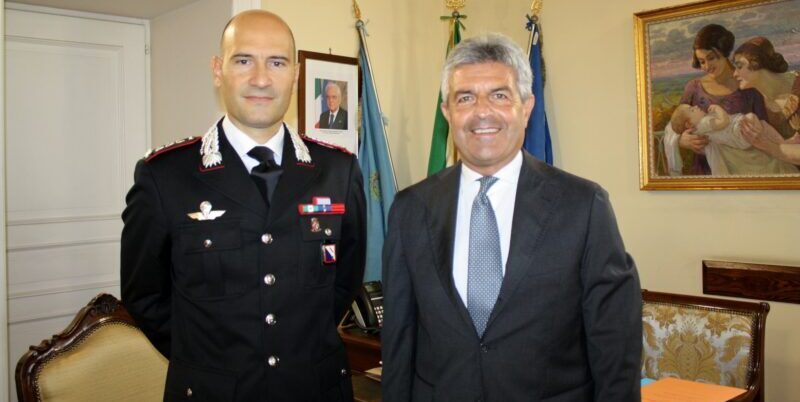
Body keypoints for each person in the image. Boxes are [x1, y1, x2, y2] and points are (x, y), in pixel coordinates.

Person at [381, 33, 642, 402]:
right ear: (447, 112)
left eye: (500, 95)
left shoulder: (583, 206)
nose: (482, 112)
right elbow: (399, 338)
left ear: (527, 107)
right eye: (465, 98)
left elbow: (615, 343)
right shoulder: (410, 208)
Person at [120, 10, 366, 402]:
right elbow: (145, 298)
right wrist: (206, 360)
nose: (261, 79)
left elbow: (344, 283)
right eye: (243, 60)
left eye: (277, 62)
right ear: (218, 70)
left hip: (314, 389)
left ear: (296, 74)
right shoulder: (165, 177)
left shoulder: (338, 170)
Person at [663, 24, 767, 176]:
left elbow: (764, 130)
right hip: (703, 173)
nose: (706, 66)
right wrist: (681, 140)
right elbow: (676, 123)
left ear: (724, 52)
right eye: (701, 61)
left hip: (744, 170)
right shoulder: (694, 88)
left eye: (711, 58)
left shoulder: (748, 86)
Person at [669, 104, 797, 175]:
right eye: (692, 110)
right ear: (689, 124)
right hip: (737, 136)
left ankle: (783, 144)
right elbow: (724, 121)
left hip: (738, 137)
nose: (696, 106)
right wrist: (719, 109)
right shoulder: (704, 123)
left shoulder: (702, 124)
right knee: (756, 121)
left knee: (761, 125)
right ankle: (783, 144)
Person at [733, 36, 800, 139]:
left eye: (739, 66)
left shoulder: (797, 83)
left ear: (757, 63)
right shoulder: (753, 104)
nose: (735, 74)